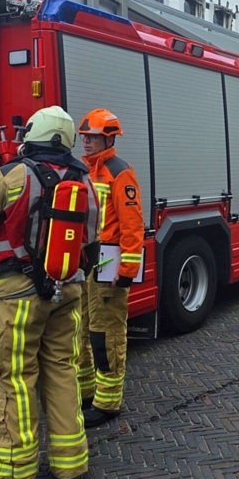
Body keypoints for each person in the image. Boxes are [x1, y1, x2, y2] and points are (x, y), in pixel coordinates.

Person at [0, 106, 101, 479]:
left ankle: (15, 473)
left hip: (17, 295)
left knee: (14, 378)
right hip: (68, 291)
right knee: (62, 370)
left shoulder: (15, 175)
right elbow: (92, 239)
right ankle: (70, 466)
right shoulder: (85, 180)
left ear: (32, 136)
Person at [76, 109, 145, 427]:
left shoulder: (120, 172)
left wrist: (128, 269)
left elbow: (132, 225)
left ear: (108, 137)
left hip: (108, 265)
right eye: (84, 136)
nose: (86, 141)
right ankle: (86, 392)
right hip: (87, 263)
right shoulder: (84, 172)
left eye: (91, 137)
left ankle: (107, 403)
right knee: (83, 331)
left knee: (107, 334)